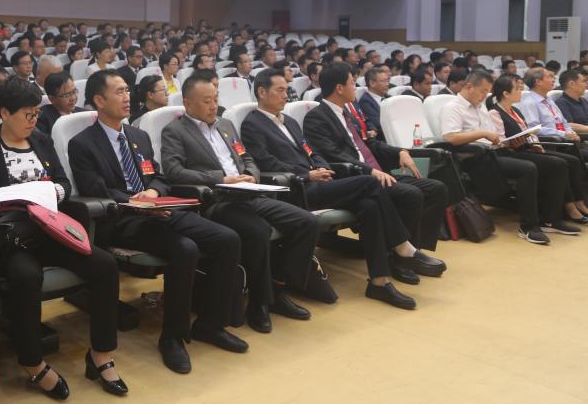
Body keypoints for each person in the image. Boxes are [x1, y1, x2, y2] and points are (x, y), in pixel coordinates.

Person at [69, 70, 246, 374]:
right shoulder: (82, 143)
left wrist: (153, 192)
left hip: (158, 211)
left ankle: (210, 324)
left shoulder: (138, 137)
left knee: (228, 239)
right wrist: (137, 202)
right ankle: (172, 338)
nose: (127, 97)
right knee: (185, 249)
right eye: (119, 92)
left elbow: (159, 177)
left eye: (128, 90)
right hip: (122, 221)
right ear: (98, 100)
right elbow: (95, 189)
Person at [0, 78, 128, 398]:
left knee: (105, 265)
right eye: (27, 114)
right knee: (26, 276)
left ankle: (101, 354)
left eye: (37, 113)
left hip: (51, 229)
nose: (33, 120)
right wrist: (13, 195)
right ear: (5, 112)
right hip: (13, 237)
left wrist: (50, 191)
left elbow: (64, 183)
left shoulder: (40, 139)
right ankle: (33, 363)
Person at [243, 69, 427, 309]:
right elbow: (267, 163)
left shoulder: (289, 121)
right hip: (297, 189)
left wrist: (322, 167)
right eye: (280, 90)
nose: (286, 95)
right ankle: (401, 245)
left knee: (369, 205)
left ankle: (379, 282)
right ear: (261, 92)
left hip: (320, 182)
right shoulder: (252, 124)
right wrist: (307, 174)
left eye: (287, 89)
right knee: (370, 182)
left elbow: (311, 151)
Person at [160, 76, 317, 333]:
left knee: (307, 222)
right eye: (206, 101)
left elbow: (247, 157)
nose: (213, 105)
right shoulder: (175, 131)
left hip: (249, 193)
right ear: (187, 103)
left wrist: (251, 175)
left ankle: (278, 288)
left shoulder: (226, 125)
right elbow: (174, 172)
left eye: (215, 99)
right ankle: (258, 303)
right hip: (218, 200)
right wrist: (221, 179)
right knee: (258, 231)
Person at [303, 62, 449, 255]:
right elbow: (333, 155)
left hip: (376, 172)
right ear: (339, 88)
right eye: (352, 83)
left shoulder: (347, 114)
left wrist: (399, 152)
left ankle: (415, 248)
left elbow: (369, 143)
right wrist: (369, 171)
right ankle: (403, 255)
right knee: (411, 194)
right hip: (355, 179)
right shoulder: (316, 118)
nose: (355, 87)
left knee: (437, 188)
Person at [441, 70, 566, 244]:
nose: (485, 96)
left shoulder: (480, 106)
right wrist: (483, 133)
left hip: (496, 150)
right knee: (527, 168)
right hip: (476, 158)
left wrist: (511, 142)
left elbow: (494, 135)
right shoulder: (452, 107)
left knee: (556, 164)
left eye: (487, 91)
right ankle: (528, 226)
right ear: (469, 87)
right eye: (483, 91)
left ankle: (551, 219)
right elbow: (451, 138)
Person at [488, 73, 588, 226]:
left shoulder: (515, 111)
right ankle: (555, 215)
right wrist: (512, 144)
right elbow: (499, 141)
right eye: (518, 89)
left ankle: (569, 206)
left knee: (570, 160)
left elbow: (529, 132)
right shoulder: (494, 113)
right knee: (558, 164)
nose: (521, 92)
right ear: (506, 93)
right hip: (509, 153)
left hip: (526, 149)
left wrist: (536, 144)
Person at [520, 67, 588, 144]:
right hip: (551, 144)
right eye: (549, 77)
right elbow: (534, 129)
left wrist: (572, 133)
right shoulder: (529, 103)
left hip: (567, 141)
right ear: (538, 82)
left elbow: (564, 123)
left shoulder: (549, 101)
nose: (553, 80)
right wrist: (563, 134)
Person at [357, 67, 389, 141]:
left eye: (387, 80)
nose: (387, 84)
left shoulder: (390, 98)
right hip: (382, 139)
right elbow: (379, 125)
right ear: (372, 83)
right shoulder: (365, 101)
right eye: (383, 81)